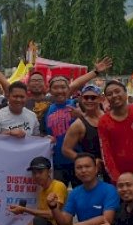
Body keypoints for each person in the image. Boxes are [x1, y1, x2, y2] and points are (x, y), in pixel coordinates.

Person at [43, 57, 113, 187]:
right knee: (58, 197)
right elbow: (42, 133)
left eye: (63, 87)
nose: (59, 91)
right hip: (57, 163)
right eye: (55, 88)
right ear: (50, 90)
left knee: (84, 196)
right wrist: (44, 138)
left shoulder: (77, 103)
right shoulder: (47, 110)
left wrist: (95, 72)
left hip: (80, 163)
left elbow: (92, 117)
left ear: (68, 89)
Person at [0, 49, 51, 121]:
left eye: (40, 80)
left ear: (45, 84)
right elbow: (5, 83)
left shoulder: (53, 100)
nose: (37, 83)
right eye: (34, 80)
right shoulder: (22, 100)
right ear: (28, 84)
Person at [61, 85, 105, 180]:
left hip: (112, 167)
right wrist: (88, 162)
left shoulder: (109, 117)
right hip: (93, 174)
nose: (89, 100)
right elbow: (66, 149)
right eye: (86, 97)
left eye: (93, 97)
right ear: (81, 99)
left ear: (101, 99)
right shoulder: (78, 124)